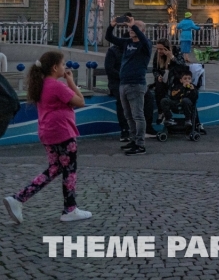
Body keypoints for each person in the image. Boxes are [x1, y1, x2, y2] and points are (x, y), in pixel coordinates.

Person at [3, 50, 91, 223]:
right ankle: (70, 209)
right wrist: (71, 82)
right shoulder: (57, 86)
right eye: (63, 64)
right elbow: (81, 101)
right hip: (63, 132)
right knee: (69, 169)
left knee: (55, 168)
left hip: (47, 132)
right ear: (55, 67)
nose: (65, 67)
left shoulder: (41, 84)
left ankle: (18, 198)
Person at [106, 17, 151, 156]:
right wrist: (112, 25)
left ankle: (140, 144)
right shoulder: (127, 43)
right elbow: (109, 38)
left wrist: (134, 26)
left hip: (136, 84)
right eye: (130, 27)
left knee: (138, 115)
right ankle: (133, 140)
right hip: (123, 83)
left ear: (142, 31)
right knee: (128, 115)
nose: (130, 29)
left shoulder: (145, 45)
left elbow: (144, 41)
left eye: (134, 28)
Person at [103, 40, 129, 141]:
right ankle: (124, 129)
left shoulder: (132, 50)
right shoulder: (113, 51)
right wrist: (122, 76)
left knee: (147, 96)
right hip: (116, 82)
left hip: (130, 81)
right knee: (122, 99)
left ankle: (147, 126)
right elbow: (109, 69)